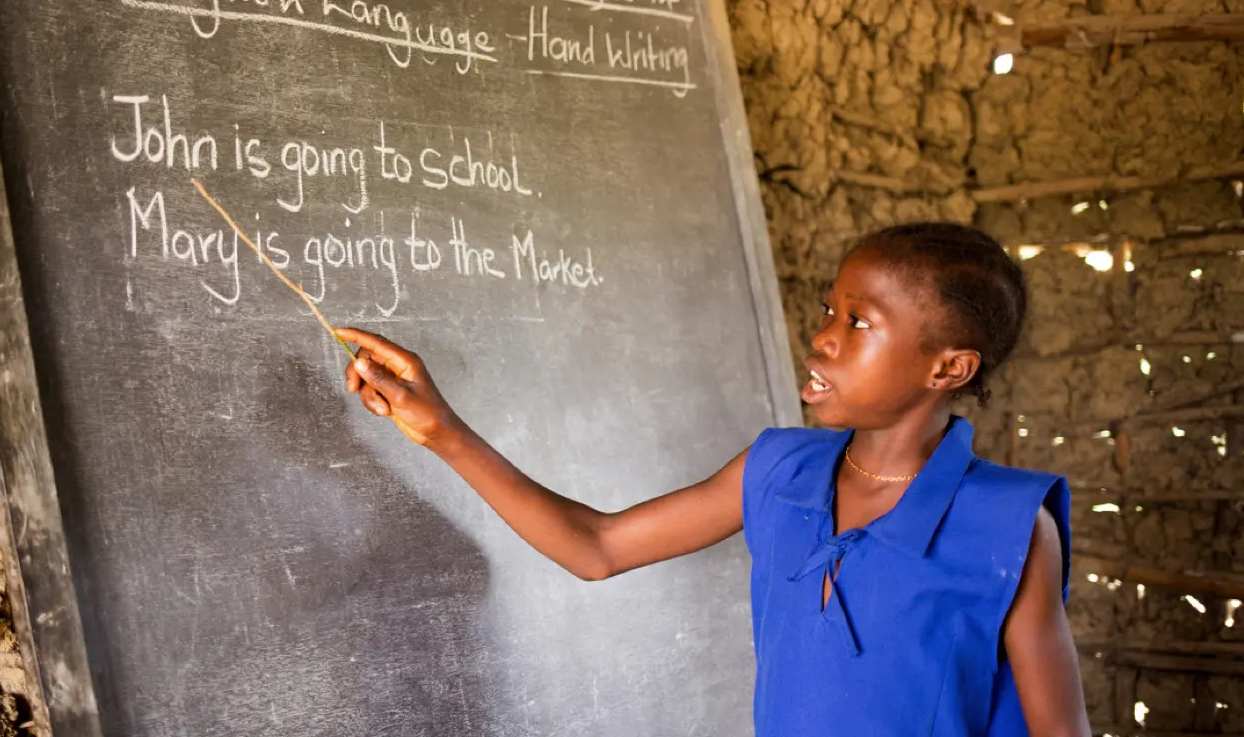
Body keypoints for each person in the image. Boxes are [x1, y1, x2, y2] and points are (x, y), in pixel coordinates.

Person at [337, 222, 1089, 736]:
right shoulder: (777, 472)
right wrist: (442, 431)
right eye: (830, 309)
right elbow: (595, 547)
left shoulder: (1010, 527)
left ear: (948, 367)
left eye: (859, 322)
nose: (823, 336)